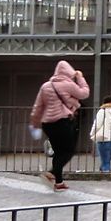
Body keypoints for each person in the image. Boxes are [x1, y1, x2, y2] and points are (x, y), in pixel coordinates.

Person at [30, 60, 90, 191]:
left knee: (58, 152)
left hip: (47, 124)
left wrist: (34, 122)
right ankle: (51, 173)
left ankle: (59, 182)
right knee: (68, 151)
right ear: (69, 72)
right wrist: (80, 77)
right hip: (62, 122)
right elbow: (85, 93)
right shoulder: (68, 85)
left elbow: (38, 106)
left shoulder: (46, 86)